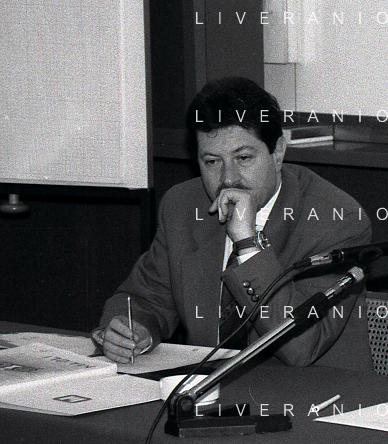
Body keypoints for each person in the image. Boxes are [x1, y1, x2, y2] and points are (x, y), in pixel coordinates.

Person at [95, 77, 372, 370]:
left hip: (315, 392)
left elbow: (301, 345)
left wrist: (247, 244)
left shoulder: (337, 219)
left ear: (278, 152)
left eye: (243, 158)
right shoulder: (183, 207)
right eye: (212, 162)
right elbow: (146, 299)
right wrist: (132, 331)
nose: (228, 178)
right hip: (208, 387)